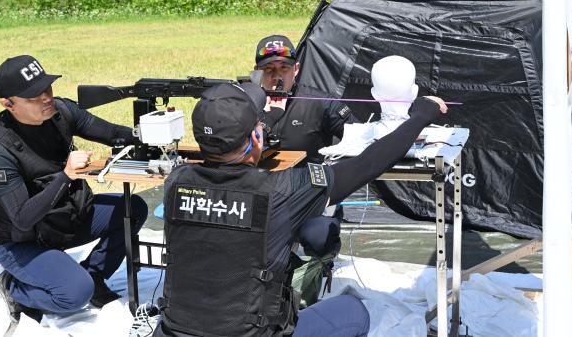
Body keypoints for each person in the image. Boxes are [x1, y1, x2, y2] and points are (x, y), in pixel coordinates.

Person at [154, 82, 447, 336]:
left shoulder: (175, 182)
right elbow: (368, 164)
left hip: (174, 330)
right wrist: (421, 115)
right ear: (256, 138)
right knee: (354, 312)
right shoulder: (282, 190)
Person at [0, 55, 148, 324]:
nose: (46, 98)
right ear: (7, 104)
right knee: (74, 295)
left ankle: (94, 276)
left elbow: (110, 131)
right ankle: (15, 289)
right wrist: (66, 175)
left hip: (66, 219)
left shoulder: (61, 111)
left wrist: (147, 132)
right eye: (33, 96)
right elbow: (21, 218)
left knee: (133, 209)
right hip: (23, 240)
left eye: (47, 88)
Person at [254, 35, 358, 259]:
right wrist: (269, 118)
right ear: (258, 73)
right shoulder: (247, 104)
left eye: (284, 68)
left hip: (306, 190)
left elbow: (356, 138)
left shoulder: (320, 101)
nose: (276, 76)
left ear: (297, 69)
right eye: (269, 69)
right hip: (260, 192)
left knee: (319, 237)